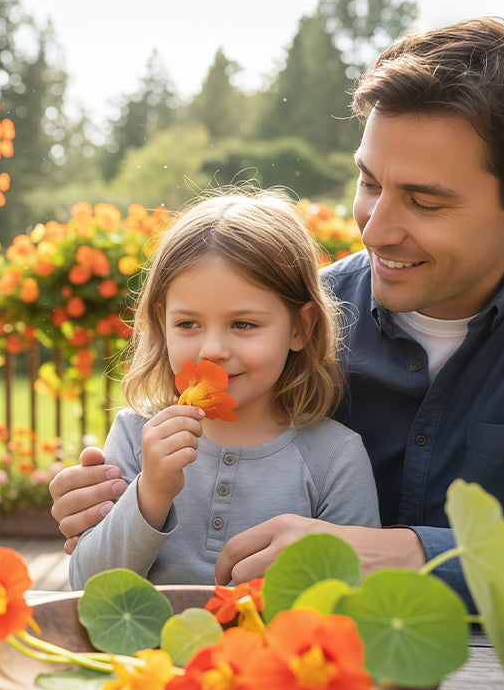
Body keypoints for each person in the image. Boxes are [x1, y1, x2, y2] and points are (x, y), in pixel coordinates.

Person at [51, 16, 504, 622]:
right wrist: (109, 508)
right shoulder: (290, 319)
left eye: (426, 201)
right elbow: (96, 569)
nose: (374, 230)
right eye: (369, 182)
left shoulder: (299, 361)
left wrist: (407, 553)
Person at [69, 190, 380, 588]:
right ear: (162, 323)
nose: (212, 349)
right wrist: (151, 492)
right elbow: (87, 586)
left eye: (243, 324)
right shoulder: (135, 436)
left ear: (300, 328)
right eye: (188, 324)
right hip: (147, 652)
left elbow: (357, 597)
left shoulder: (334, 458)